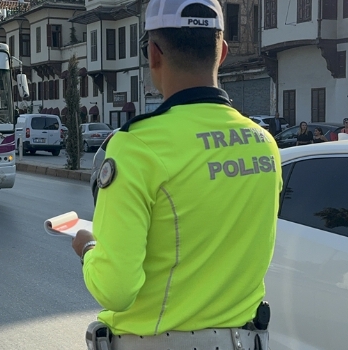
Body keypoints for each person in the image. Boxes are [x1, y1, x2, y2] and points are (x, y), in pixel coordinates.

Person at [71, 0, 281, 348]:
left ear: (153, 54)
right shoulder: (264, 144)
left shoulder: (136, 146)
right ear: (223, 52)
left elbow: (115, 289)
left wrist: (88, 246)